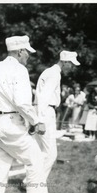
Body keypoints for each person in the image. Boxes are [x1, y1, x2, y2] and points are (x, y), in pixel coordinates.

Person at [0, 35, 48, 193]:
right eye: (27, 52)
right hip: (9, 124)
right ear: (20, 51)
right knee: (36, 159)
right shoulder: (19, 70)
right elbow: (21, 102)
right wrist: (36, 121)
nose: (29, 56)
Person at [34, 50, 80, 182]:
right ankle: (36, 183)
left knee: (41, 151)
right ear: (65, 62)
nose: (71, 68)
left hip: (43, 110)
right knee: (50, 154)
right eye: (71, 64)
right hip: (46, 111)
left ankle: (30, 181)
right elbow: (43, 97)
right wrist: (41, 120)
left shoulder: (50, 72)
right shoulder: (54, 74)